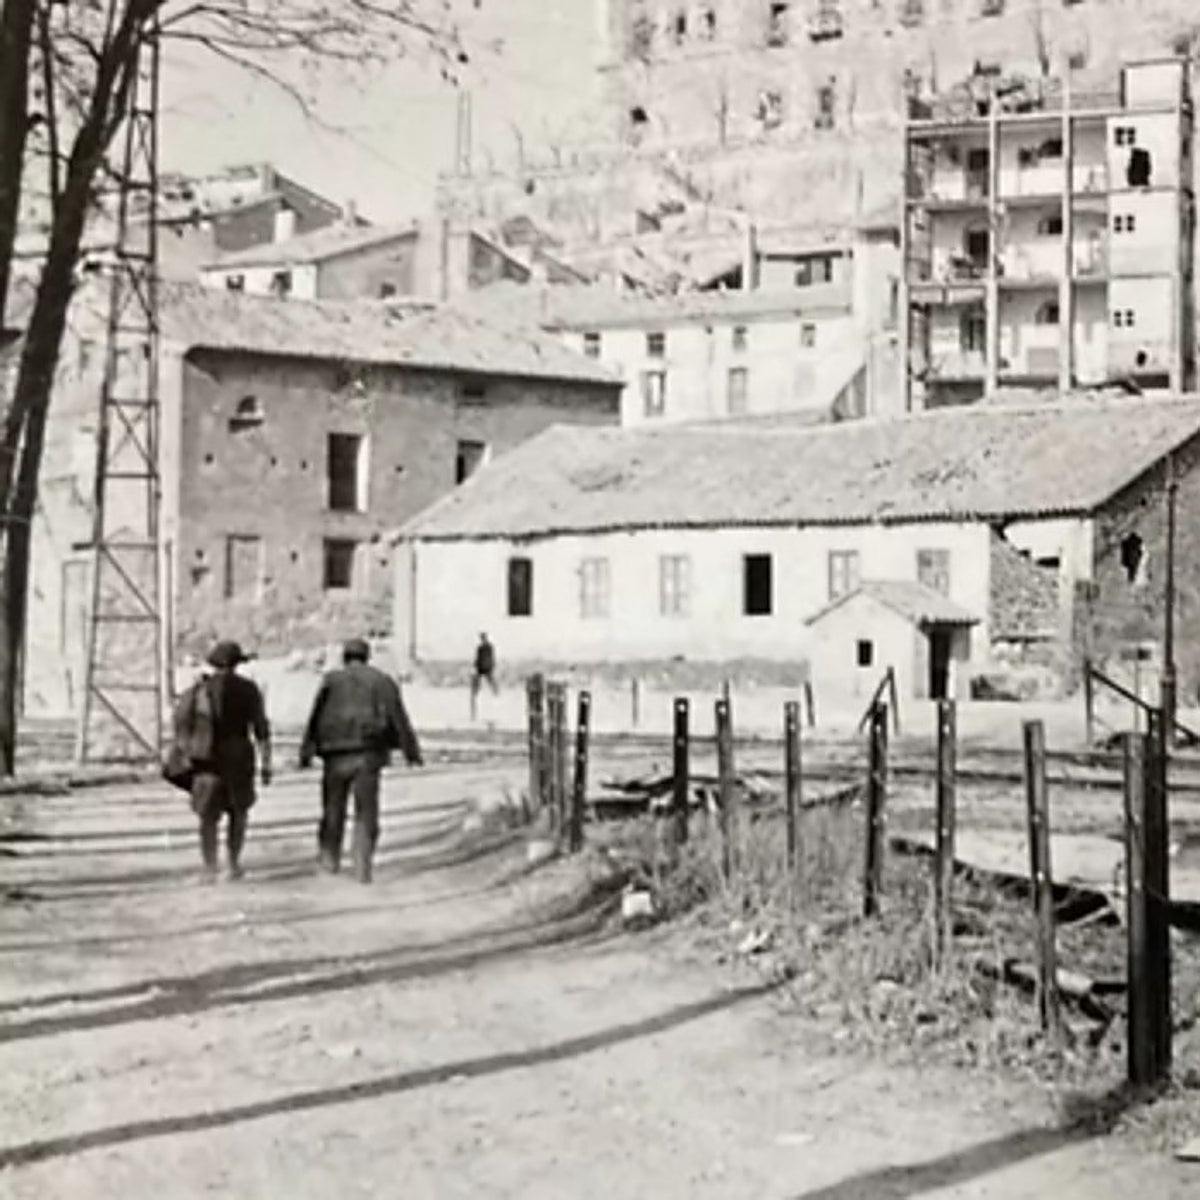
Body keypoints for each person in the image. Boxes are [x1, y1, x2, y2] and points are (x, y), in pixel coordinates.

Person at [299, 638, 423, 883]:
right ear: (367, 657)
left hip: (334, 754)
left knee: (333, 807)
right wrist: (411, 751)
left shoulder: (331, 681)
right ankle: (362, 864)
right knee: (366, 810)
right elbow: (399, 717)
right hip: (369, 753)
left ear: (345, 656)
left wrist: (306, 751)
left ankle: (329, 858)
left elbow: (315, 717)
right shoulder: (381, 681)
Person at [175, 640, 272, 883]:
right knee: (238, 812)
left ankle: (210, 867)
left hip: (207, 759)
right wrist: (266, 763)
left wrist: (187, 754)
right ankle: (233, 864)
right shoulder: (249, 689)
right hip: (239, 756)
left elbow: (180, 724)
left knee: (208, 816)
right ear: (237, 664)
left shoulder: (198, 690)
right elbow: (261, 729)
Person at [470, 632, 498, 718]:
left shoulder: (488, 647)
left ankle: (495, 693)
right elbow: (478, 658)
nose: (482, 639)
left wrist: (490, 666)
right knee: (476, 688)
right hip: (481, 669)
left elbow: (491, 658)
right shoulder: (480, 648)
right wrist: (475, 666)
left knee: (492, 684)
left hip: (486, 668)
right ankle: (477, 694)